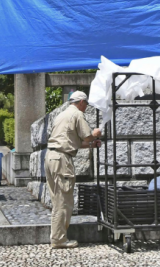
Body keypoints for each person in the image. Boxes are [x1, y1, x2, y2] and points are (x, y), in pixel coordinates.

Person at [45, 90, 102, 249]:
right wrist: (95, 134)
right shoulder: (77, 114)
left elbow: (72, 142)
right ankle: (59, 240)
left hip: (51, 157)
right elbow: (87, 136)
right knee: (64, 201)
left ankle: (57, 236)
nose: (86, 107)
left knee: (58, 200)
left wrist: (91, 144)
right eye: (86, 104)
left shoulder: (62, 115)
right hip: (62, 159)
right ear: (82, 102)